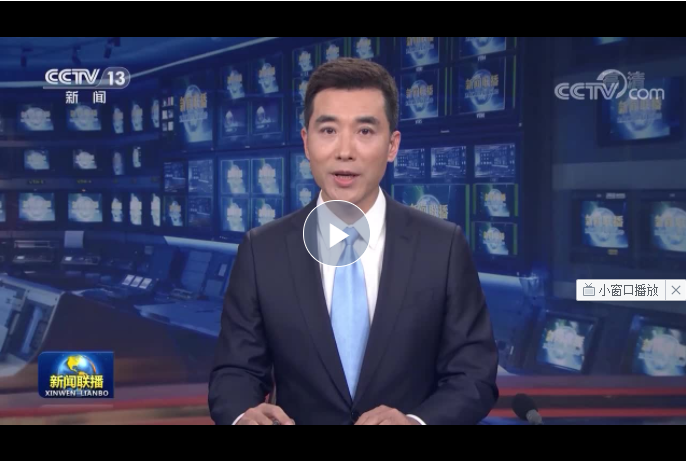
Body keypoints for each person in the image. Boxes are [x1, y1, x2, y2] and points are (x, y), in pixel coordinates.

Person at [209, 57, 499, 425]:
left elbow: (473, 375)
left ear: (392, 145)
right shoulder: (261, 251)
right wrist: (242, 417)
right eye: (328, 130)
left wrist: (417, 422)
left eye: (364, 131)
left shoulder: (442, 247)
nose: (345, 151)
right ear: (306, 142)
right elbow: (235, 372)